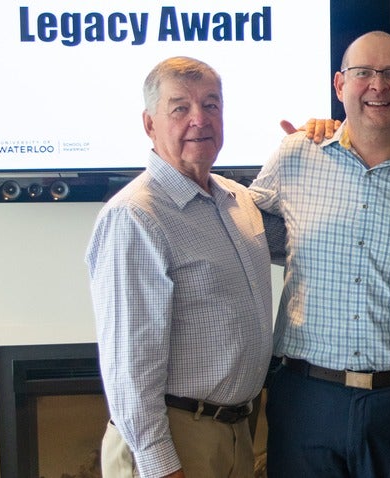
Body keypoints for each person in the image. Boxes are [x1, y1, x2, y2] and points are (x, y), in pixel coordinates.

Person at [250, 31, 390, 477]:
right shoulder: (296, 156)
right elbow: (243, 232)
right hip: (305, 398)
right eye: (363, 73)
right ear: (340, 85)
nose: (378, 85)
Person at [86, 56, 281, 478]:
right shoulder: (135, 217)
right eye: (180, 108)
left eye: (211, 105)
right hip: (173, 439)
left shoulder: (236, 200)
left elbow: (307, 237)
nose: (200, 119)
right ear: (149, 124)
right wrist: (160, 465)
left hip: (235, 432)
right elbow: (129, 368)